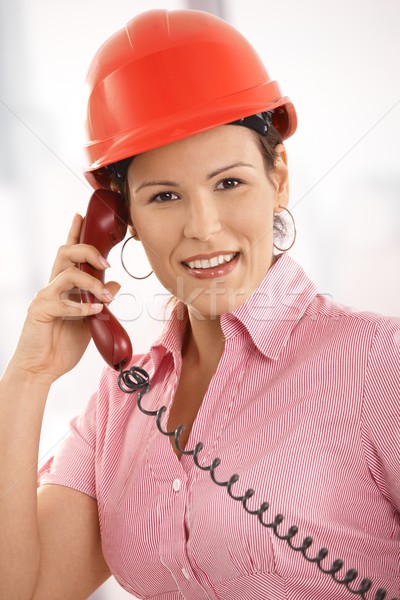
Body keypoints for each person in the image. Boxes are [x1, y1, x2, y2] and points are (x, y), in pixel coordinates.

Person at [0, 8, 398, 600]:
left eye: (229, 183)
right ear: (121, 219)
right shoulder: (122, 404)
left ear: (278, 177)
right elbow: (23, 590)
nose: (204, 228)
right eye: (165, 196)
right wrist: (27, 378)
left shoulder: (375, 360)